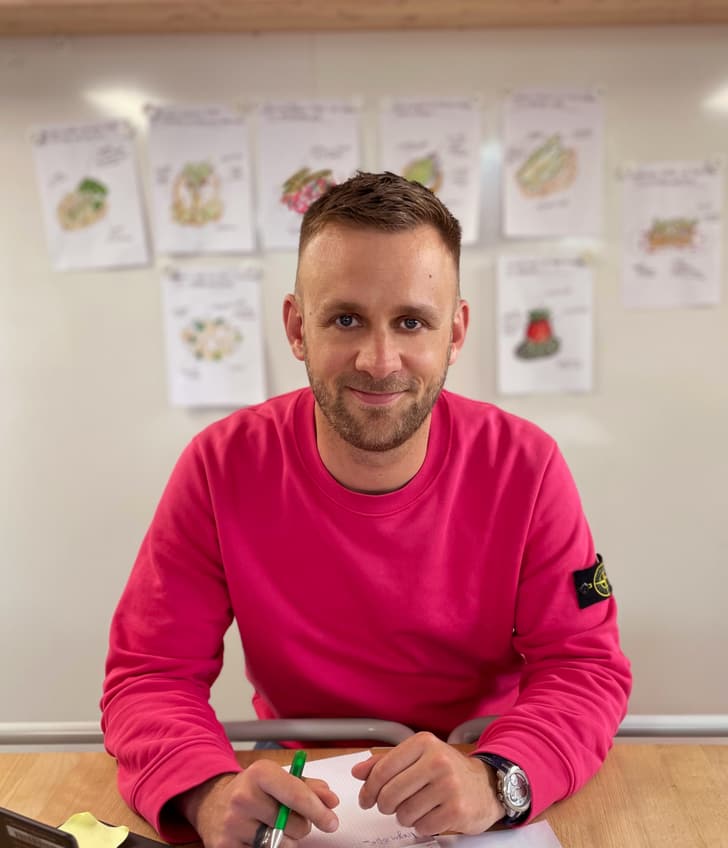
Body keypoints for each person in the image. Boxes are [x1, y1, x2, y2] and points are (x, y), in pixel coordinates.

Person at [101, 171, 631, 848]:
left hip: (479, 773)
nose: (380, 362)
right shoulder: (219, 467)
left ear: (455, 333)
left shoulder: (526, 468)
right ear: (297, 328)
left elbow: (583, 669)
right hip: (293, 795)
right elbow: (151, 675)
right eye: (346, 319)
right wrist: (206, 794)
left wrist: (499, 779)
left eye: (411, 322)